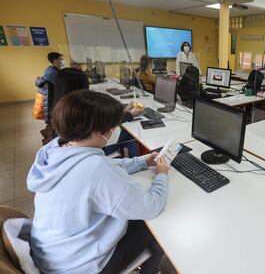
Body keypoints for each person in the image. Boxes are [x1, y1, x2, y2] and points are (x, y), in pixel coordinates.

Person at [28, 90, 170, 273]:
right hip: (82, 266)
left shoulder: (55, 149)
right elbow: (152, 205)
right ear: (95, 131)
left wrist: (142, 161)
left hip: (54, 255)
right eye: (110, 128)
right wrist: (161, 174)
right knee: (160, 231)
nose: (112, 131)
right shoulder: (95, 170)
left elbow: (106, 165)